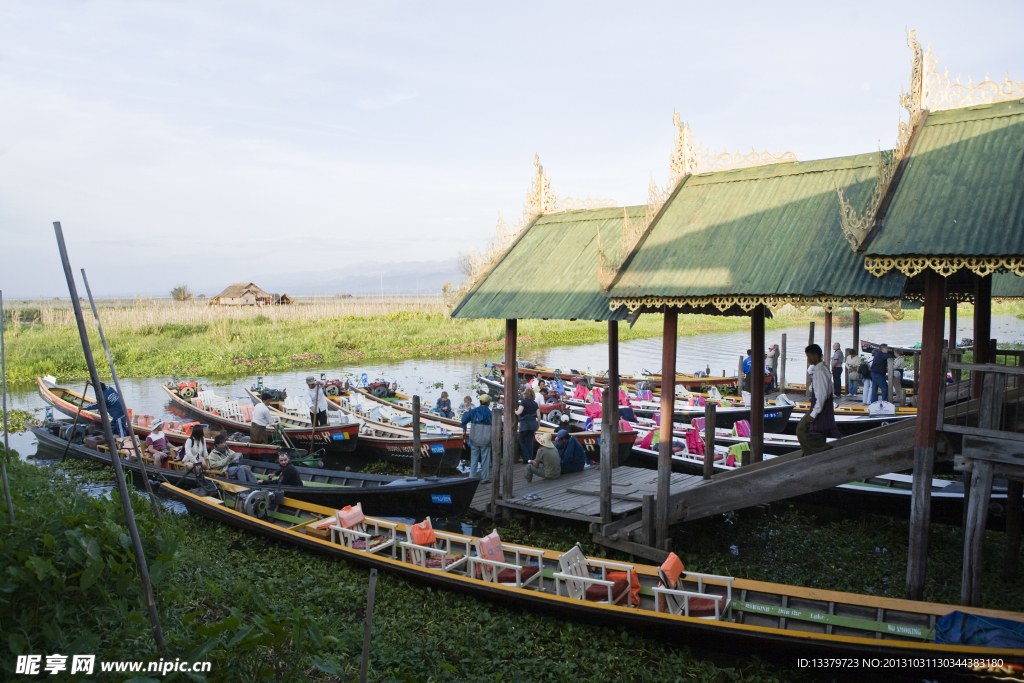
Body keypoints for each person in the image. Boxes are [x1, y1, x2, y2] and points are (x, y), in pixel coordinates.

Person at [795, 344, 842, 454]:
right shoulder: (822, 367)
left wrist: (814, 412)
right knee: (819, 430)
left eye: (809, 356)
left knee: (801, 429)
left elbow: (821, 394)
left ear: (815, 355)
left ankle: (820, 449)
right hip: (823, 405)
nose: (808, 359)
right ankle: (811, 452)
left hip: (820, 406)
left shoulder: (820, 371)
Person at [460, 394, 492, 481]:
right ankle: (484, 478)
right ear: (488, 402)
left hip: (474, 438)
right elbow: (499, 426)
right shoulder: (490, 413)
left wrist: (464, 430)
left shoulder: (473, 411)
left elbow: (463, 420)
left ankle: (472, 477)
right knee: (485, 460)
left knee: (474, 459)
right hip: (486, 439)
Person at [516, 387, 540, 464]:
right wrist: (538, 425)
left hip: (525, 424)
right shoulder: (535, 404)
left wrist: (514, 411)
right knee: (529, 441)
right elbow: (539, 416)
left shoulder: (523, 402)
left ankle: (526, 458)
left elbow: (519, 412)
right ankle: (530, 458)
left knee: (521, 441)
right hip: (533, 424)